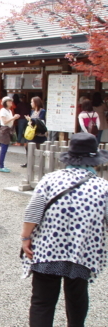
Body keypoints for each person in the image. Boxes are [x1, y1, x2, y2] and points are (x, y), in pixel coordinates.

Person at [21, 132, 108, 327]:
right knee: (77, 297)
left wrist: (25, 238)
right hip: (82, 251)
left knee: (42, 301)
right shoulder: (103, 187)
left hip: (48, 250)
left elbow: (33, 212)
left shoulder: (50, 180)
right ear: (93, 160)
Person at [21, 97, 47, 168]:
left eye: (32, 102)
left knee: (40, 149)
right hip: (32, 133)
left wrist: (31, 120)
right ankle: (28, 162)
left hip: (39, 133)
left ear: (36, 103)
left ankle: (42, 164)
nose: (31, 103)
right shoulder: (32, 111)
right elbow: (32, 121)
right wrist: (29, 121)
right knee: (27, 147)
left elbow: (40, 121)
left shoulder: (42, 111)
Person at [0, 96, 20, 173]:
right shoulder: (2, 110)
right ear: (5, 103)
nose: (11, 102)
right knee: (3, 149)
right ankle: (1, 166)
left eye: (11, 101)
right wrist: (14, 118)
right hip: (4, 130)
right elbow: (4, 121)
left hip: (9, 130)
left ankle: (2, 165)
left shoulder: (9, 111)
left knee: (5, 148)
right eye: (9, 101)